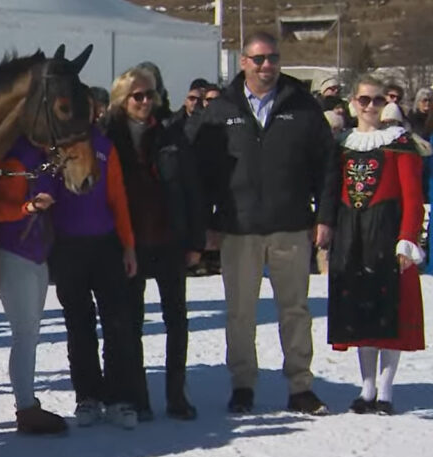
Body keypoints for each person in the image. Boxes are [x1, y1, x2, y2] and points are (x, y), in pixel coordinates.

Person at [193, 31, 340, 415]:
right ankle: (243, 385)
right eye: (258, 59)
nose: (266, 66)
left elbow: (327, 167)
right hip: (237, 227)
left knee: (294, 309)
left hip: (290, 224)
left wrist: (325, 216)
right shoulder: (221, 108)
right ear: (243, 62)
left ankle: (300, 387)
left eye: (273, 58)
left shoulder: (303, 106)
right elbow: (204, 172)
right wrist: (206, 221)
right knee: (240, 311)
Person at [104, 66, 205, 421]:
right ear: (122, 99)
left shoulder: (170, 134)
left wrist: (196, 240)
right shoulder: (108, 137)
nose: (146, 102)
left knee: (176, 320)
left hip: (169, 238)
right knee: (131, 323)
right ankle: (139, 397)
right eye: (138, 96)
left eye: (150, 95)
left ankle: (177, 395)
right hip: (128, 243)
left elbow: (192, 189)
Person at [328, 76, 426, 416]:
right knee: (361, 313)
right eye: (365, 100)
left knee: (389, 315)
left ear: (388, 104)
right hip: (353, 236)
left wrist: (407, 240)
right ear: (354, 102)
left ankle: (385, 390)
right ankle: (366, 386)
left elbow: (414, 198)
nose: (371, 106)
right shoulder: (343, 145)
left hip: (386, 234)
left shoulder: (399, 144)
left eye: (378, 100)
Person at [41, 126, 141, 429]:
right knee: (78, 324)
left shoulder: (104, 146)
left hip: (106, 244)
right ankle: (87, 396)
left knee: (117, 323)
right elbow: (46, 193)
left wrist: (128, 246)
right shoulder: (55, 146)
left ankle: (119, 398)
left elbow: (118, 197)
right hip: (68, 246)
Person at [0, 137, 68, 434]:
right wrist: (28, 207)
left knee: (30, 332)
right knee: (24, 332)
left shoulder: (49, 159)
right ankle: (25, 406)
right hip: (14, 253)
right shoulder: (18, 158)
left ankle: (28, 402)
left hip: (37, 253)